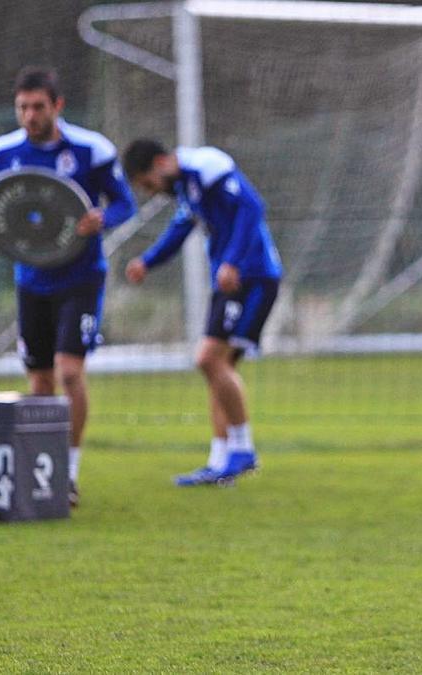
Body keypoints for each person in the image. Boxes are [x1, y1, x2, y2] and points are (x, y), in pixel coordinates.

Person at [0, 66, 137, 508]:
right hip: (30, 280)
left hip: (81, 277)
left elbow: (123, 203)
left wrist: (103, 219)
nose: (29, 115)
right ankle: (43, 471)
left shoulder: (90, 149)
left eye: (38, 107)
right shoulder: (0, 153)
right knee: (40, 380)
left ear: (57, 106)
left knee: (69, 372)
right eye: (22, 107)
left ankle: (70, 470)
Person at [121, 140, 283, 487]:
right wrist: (146, 262)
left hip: (252, 277)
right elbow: (180, 229)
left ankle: (242, 450)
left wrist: (232, 261)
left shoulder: (206, 166)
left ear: (162, 163)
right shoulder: (187, 189)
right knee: (217, 369)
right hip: (229, 281)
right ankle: (221, 459)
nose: (151, 192)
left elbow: (252, 207)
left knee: (209, 360)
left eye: (149, 184)